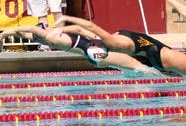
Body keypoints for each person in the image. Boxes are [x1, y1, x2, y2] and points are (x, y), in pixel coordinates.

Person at [56, 15, 186, 84]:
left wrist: (62, 27)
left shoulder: (109, 42)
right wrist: (65, 21)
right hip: (164, 57)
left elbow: (84, 29)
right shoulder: (111, 41)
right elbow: (88, 26)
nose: (93, 44)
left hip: (159, 57)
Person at [0, 25, 156, 73]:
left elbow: (30, 29)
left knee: (134, 69)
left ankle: (156, 73)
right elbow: (27, 32)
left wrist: (6, 32)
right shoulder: (50, 38)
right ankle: (160, 74)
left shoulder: (50, 39)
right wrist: (6, 32)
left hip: (95, 55)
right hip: (95, 53)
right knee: (137, 68)